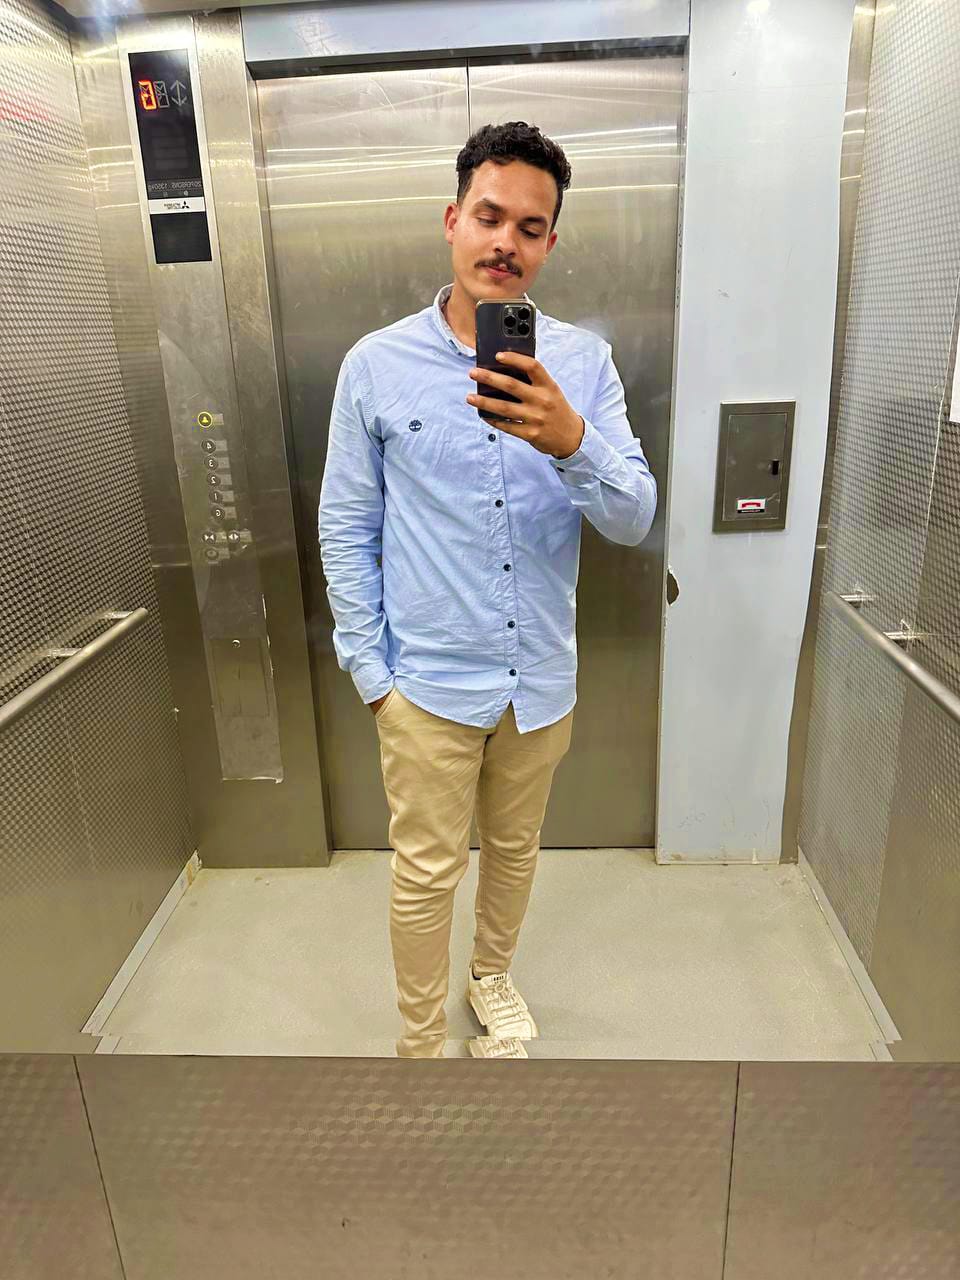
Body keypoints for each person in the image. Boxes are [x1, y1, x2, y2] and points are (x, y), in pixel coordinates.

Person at [318, 121, 657, 1059]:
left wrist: (570, 440)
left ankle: (492, 976)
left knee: (514, 851)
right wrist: (373, 677)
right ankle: (421, 1043)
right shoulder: (375, 366)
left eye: (530, 227)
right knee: (427, 874)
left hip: (539, 680)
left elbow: (634, 517)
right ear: (453, 219)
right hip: (424, 685)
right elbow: (346, 527)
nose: (506, 242)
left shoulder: (581, 365)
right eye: (489, 216)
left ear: (550, 243)